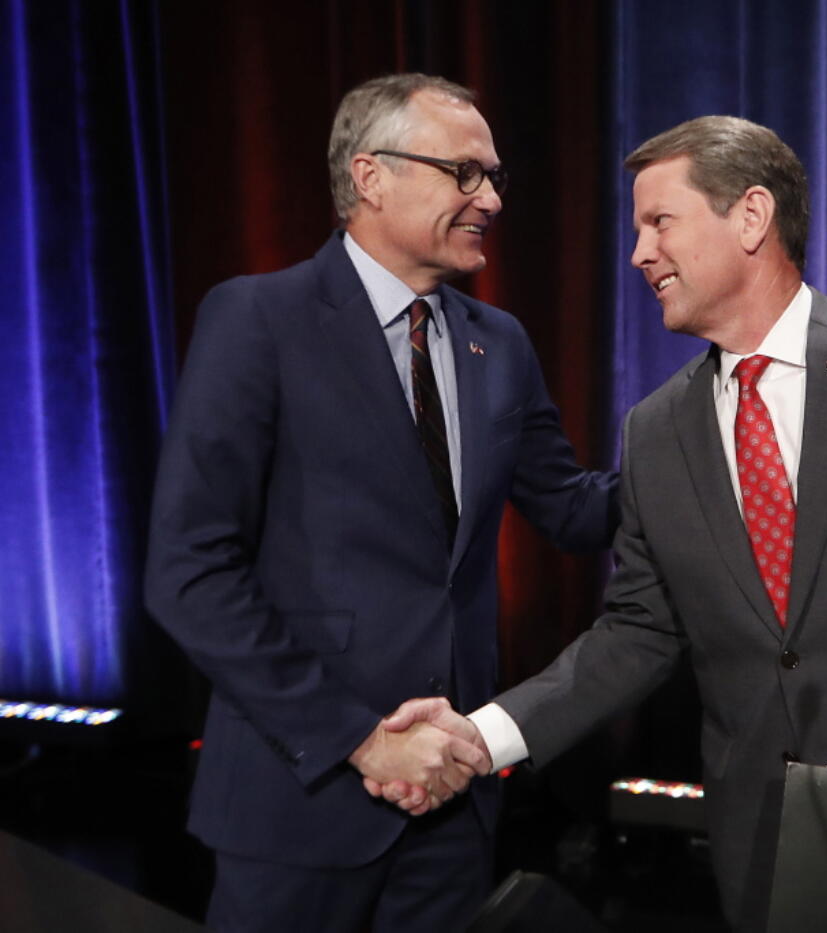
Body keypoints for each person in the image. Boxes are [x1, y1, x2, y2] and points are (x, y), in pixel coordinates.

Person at [376, 114, 827, 930]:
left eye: (660, 222)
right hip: (763, 851)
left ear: (751, 216)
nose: (640, 253)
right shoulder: (655, 431)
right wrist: (481, 737)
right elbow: (639, 632)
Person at [143, 73, 618, 933]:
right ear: (370, 176)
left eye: (495, 178)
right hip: (302, 795)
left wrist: (718, 439)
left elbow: (575, 510)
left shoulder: (497, 342)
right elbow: (188, 573)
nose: (490, 200)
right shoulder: (260, 318)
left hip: (452, 806)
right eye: (464, 173)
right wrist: (361, 736)